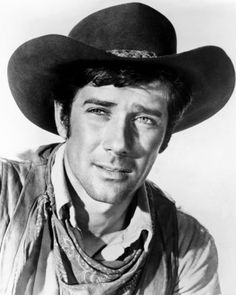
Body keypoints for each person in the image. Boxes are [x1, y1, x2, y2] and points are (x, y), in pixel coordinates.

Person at [0, 2, 235, 294]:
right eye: (99, 111)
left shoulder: (187, 247)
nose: (119, 143)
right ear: (63, 118)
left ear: (166, 135)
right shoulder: (6, 198)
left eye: (145, 119)